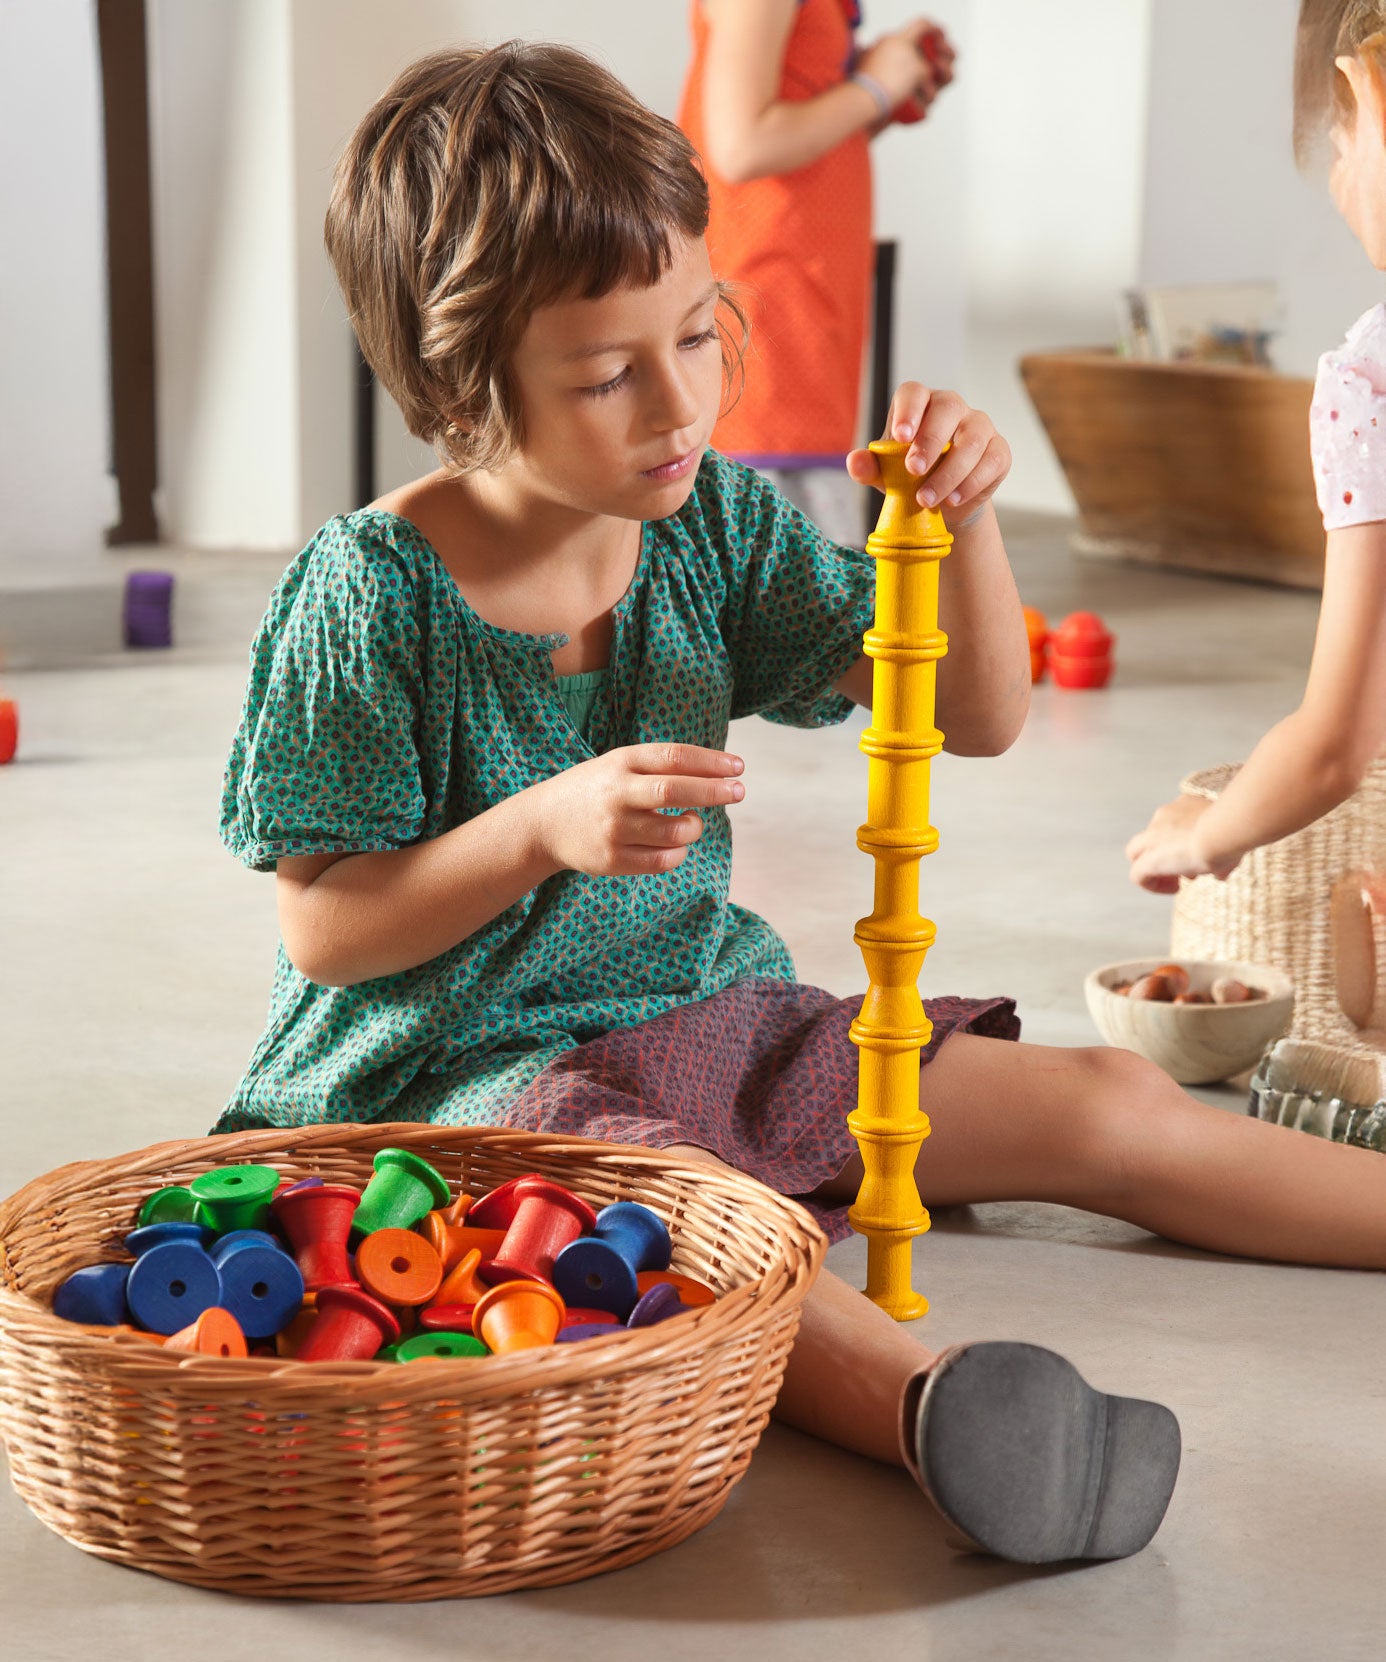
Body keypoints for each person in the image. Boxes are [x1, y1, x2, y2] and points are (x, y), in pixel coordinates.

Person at [220, 42, 1386, 1568]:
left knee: (1106, 1105)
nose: (678, 403)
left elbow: (975, 712)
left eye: (700, 336)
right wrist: (537, 827)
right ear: (460, 385)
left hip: (706, 1015)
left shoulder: (708, 519)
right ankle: (950, 1417)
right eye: (605, 374)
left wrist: (956, 524)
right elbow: (324, 932)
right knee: (693, 1224)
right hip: (458, 1085)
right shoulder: (369, 597)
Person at [1127, 1, 1386, 894]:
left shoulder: (1370, 381)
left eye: (1341, 145)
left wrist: (1206, 834)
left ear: (1374, 107)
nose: (1336, 175)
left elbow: (1333, 748)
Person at [679, 1, 954, 544]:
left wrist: (878, 93)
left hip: (801, 302)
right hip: (768, 302)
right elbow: (742, 147)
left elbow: (793, 147)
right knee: (788, 568)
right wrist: (873, 87)